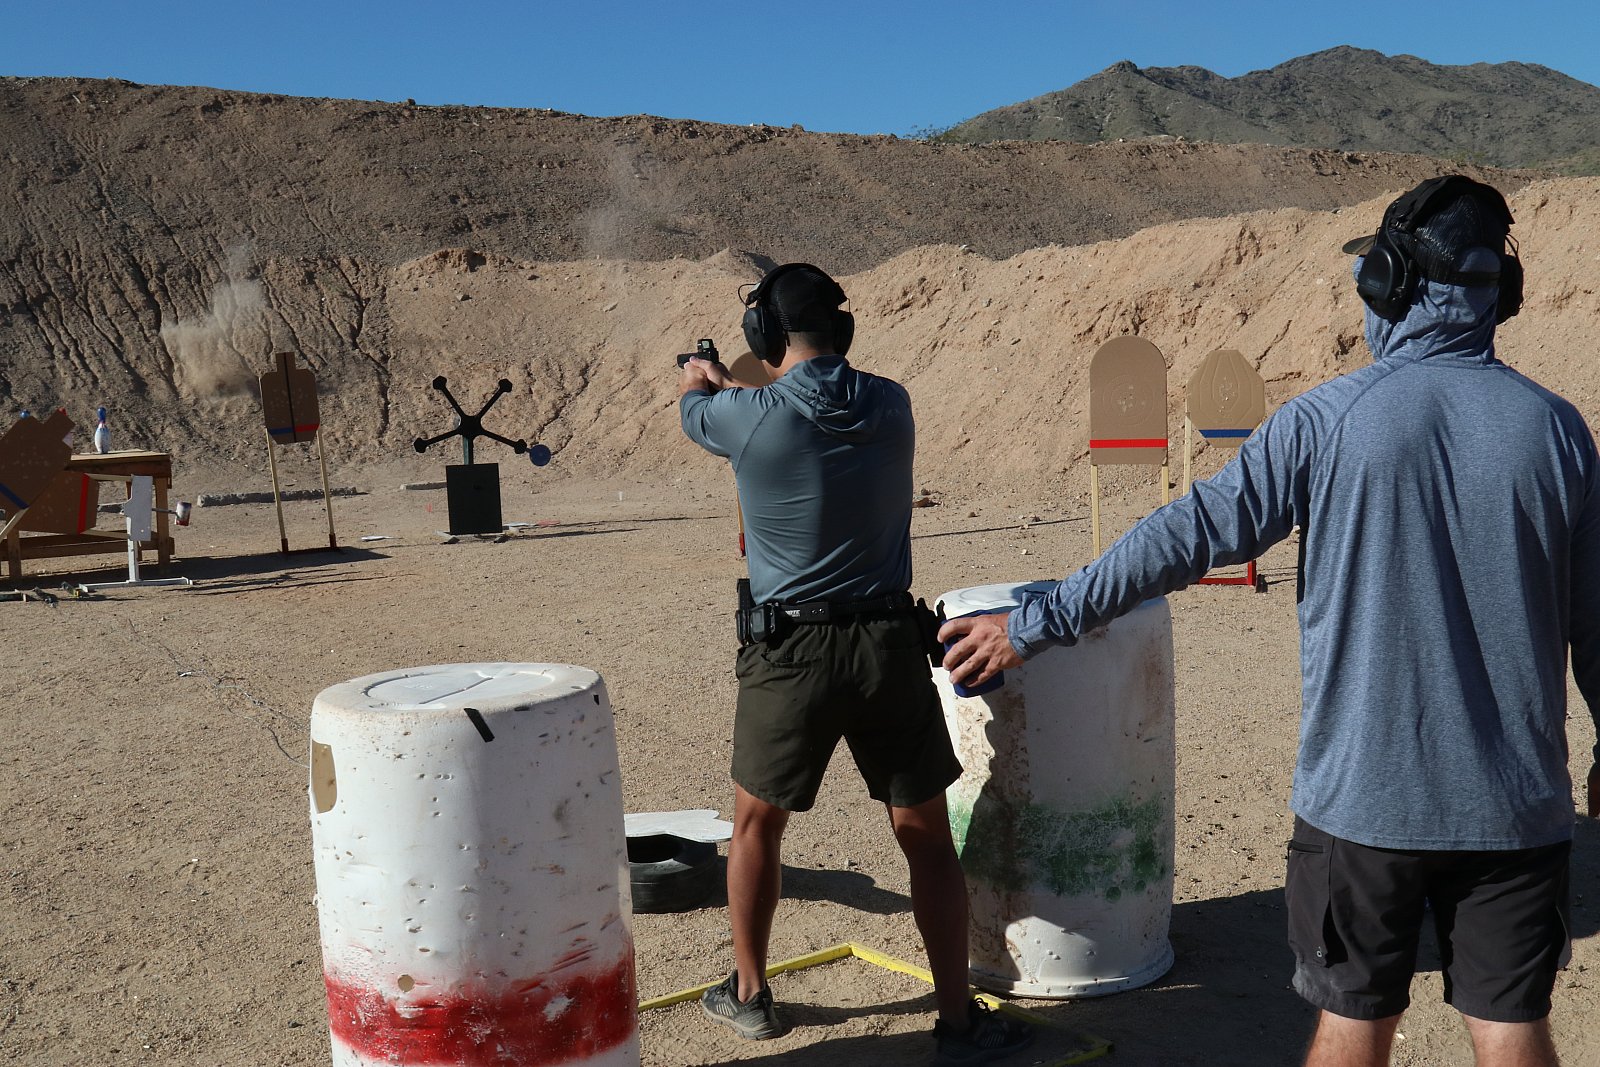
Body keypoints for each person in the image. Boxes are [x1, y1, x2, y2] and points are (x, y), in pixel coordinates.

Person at [940, 176, 1600, 1067]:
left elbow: (1185, 535)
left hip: (1364, 806)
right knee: (1512, 1024)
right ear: (1501, 291)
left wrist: (1037, 621)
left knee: (1353, 1021)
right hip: (1516, 809)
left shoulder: (1327, 420)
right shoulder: (1559, 432)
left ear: (1390, 283)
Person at [679, 263, 1032, 1064]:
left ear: (766, 334)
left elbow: (700, 409)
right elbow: (799, 407)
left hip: (790, 653)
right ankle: (958, 1020)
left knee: (756, 824)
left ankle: (749, 994)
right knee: (925, 836)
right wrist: (740, 386)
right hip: (888, 644)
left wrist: (702, 377)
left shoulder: (743, 415)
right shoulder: (892, 404)